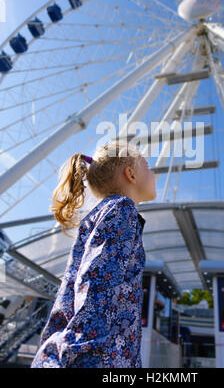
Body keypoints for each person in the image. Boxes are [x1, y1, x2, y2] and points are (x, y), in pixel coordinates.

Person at [30, 140, 156, 368]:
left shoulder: (100, 215)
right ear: (131, 175)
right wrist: (85, 355)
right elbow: (97, 288)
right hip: (99, 359)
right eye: (147, 165)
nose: (154, 172)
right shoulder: (122, 210)